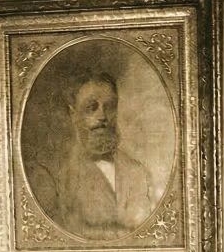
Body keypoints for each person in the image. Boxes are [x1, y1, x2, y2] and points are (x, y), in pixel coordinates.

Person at [30, 71, 154, 240]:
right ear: (73, 113)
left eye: (109, 107)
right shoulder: (52, 173)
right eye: (91, 107)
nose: (102, 116)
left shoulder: (137, 171)